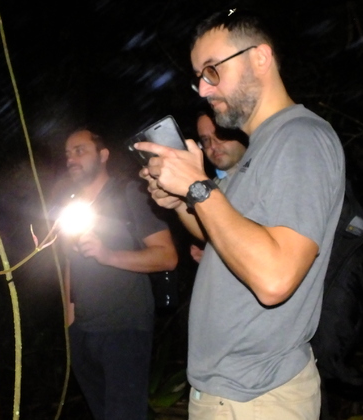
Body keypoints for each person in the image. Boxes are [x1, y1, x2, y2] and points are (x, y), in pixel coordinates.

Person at [136, 9, 345, 420]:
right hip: (228, 393)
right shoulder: (258, 149)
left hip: (258, 397)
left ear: (260, 58)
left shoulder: (301, 138)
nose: (202, 88)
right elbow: (220, 233)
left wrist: (197, 186)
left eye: (212, 71)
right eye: (198, 76)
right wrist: (182, 199)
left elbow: (274, 278)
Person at [59, 128, 178, 420]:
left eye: (80, 151)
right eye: (67, 154)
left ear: (103, 156)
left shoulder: (129, 194)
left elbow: (167, 256)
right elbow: (69, 266)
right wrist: (70, 326)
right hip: (84, 333)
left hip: (124, 330)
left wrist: (108, 255)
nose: (71, 159)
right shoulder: (70, 205)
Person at [190, 109, 248, 263]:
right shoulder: (211, 187)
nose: (213, 146)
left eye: (220, 136)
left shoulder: (266, 169)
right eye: (206, 140)